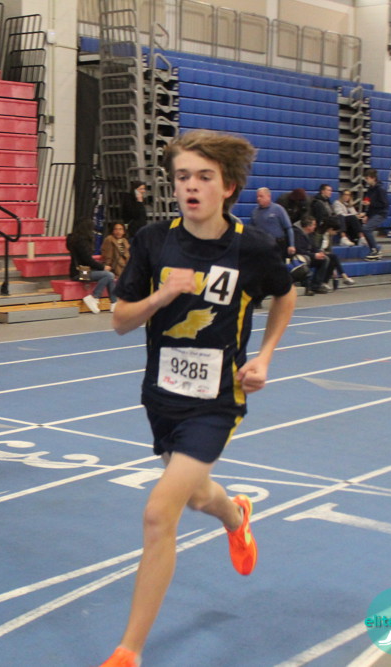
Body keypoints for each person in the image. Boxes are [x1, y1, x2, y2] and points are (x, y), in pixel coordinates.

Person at [100, 130, 296, 667]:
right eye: (183, 176)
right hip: (161, 396)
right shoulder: (152, 241)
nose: (191, 186)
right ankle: (236, 515)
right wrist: (163, 293)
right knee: (195, 496)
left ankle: (129, 651)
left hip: (216, 401)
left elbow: (285, 296)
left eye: (204, 177)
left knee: (159, 513)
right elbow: (119, 320)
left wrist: (264, 356)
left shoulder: (252, 248)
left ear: (228, 187)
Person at [67, 218, 116, 314]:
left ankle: (114, 303)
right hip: (81, 272)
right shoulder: (82, 242)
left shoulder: (74, 240)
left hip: (78, 270)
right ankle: (94, 297)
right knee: (108, 275)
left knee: (109, 276)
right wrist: (102, 267)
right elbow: (87, 260)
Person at [250, 187, 294, 260]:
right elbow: (251, 229)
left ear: (268, 196)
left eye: (261, 196)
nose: (258, 198)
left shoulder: (278, 209)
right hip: (261, 245)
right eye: (257, 196)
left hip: (277, 245)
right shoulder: (255, 212)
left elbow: (289, 228)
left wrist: (291, 245)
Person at [360, 168, 388, 260]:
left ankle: (375, 250)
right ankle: (374, 250)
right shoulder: (370, 189)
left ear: (373, 178)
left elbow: (384, 204)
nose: (366, 180)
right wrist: (367, 215)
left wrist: (370, 203)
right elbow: (370, 204)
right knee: (365, 229)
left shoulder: (380, 189)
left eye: (367, 178)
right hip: (373, 213)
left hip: (380, 213)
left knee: (366, 229)